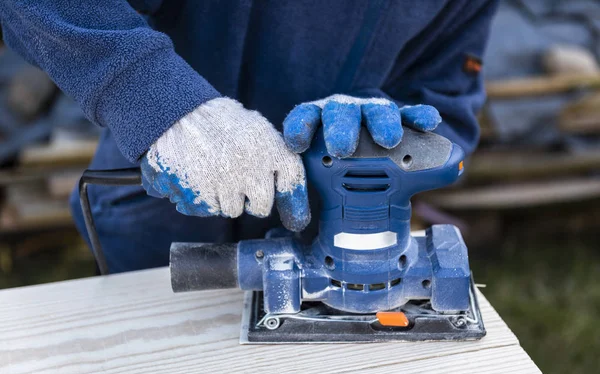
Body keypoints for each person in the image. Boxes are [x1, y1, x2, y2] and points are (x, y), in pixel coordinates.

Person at [0, 0, 498, 273]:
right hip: (162, 210)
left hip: (322, 234)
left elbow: (444, 103)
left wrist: (378, 128)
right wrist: (154, 96)